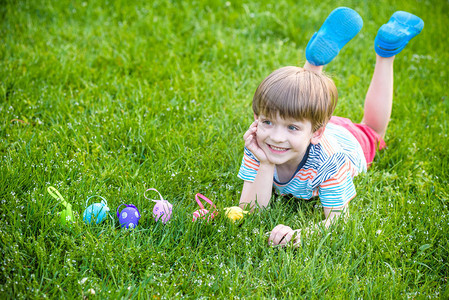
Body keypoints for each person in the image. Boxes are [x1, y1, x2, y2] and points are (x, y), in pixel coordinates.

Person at [237, 7, 424, 247]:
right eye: (267, 122)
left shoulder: (329, 163)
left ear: (317, 132)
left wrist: (298, 235)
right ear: (256, 119)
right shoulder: (259, 142)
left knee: (374, 131)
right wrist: (265, 162)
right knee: (299, 108)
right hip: (310, 128)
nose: (276, 137)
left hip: (350, 141)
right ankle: (312, 65)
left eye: (290, 128)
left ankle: (386, 52)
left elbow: (338, 220)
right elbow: (251, 209)